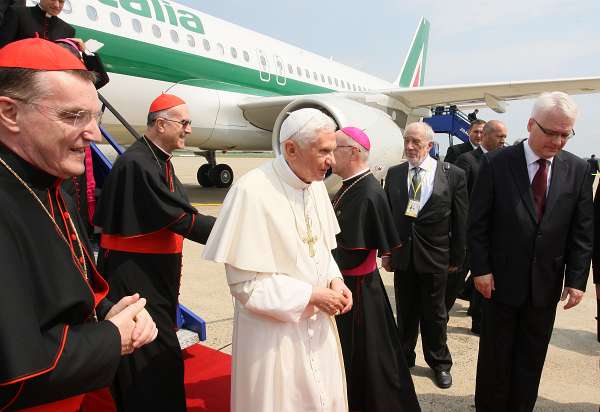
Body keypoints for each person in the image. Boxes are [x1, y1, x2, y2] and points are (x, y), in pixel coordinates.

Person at [0, 38, 157, 411]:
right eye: (74, 117)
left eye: (96, 117)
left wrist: (106, 313)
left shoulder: (51, 182)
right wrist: (110, 339)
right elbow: (15, 374)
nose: (94, 135)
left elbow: (57, 296)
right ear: (9, 113)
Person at [203, 108, 352, 412]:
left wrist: (335, 279)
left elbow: (322, 250)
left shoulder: (317, 186)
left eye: (333, 151)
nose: (332, 161)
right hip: (274, 339)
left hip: (318, 324)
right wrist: (311, 295)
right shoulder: (251, 192)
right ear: (291, 149)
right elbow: (246, 287)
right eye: (324, 151)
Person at [469, 92, 593, 411]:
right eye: (551, 132)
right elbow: (478, 222)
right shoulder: (496, 163)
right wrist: (480, 269)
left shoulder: (577, 170)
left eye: (566, 134)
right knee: (496, 359)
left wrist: (577, 279)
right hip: (499, 282)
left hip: (545, 284)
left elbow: (581, 230)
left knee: (531, 358)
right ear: (530, 124)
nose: (559, 141)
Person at [94, 94, 216, 411]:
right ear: (161, 124)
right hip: (135, 275)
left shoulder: (157, 158)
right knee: (150, 351)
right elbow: (178, 217)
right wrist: (229, 230)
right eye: (184, 122)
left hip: (153, 273)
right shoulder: (138, 163)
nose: (189, 129)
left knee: (159, 347)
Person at [331, 127, 420, 412]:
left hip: (358, 291)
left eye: (336, 148)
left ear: (354, 152)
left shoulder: (367, 192)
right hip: (356, 287)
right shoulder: (350, 185)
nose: (330, 155)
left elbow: (353, 256)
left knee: (370, 360)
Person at [384, 122, 468, 389]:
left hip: (436, 256)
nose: (410, 147)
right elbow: (388, 217)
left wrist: (457, 257)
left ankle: (440, 363)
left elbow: (460, 220)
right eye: (407, 141)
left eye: (416, 143)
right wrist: (386, 253)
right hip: (404, 256)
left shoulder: (452, 174)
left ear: (429, 146)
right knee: (405, 312)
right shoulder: (395, 174)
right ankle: (404, 357)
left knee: (435, 314)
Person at [452, 120, 508, 334]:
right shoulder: (467, 161)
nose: (503, 141)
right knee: (456, 277)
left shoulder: (503, 161)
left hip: (493, 233)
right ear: (485, 135)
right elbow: (457, 197)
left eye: (505, 137)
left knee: (484, 275)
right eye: (499, 137)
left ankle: (478, 320)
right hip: (468, 232)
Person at [0, 0, 75, 48]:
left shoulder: (68, 30)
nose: (57, 5)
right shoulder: (17, 13)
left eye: (61, 1)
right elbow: (3, 47)